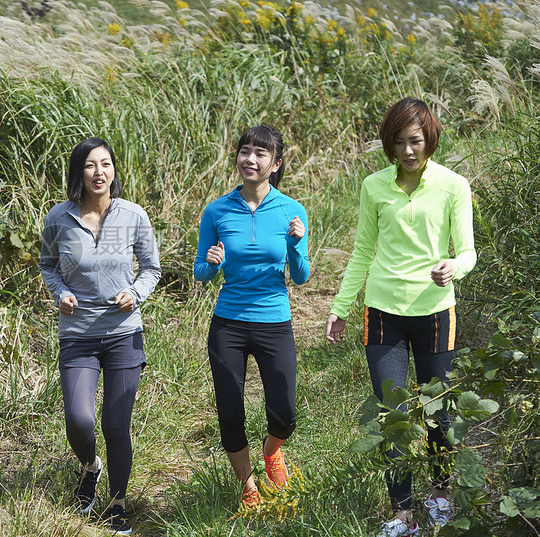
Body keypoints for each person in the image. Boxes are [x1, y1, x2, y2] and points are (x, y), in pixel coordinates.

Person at [324, 98, 476, 537]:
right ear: (389, 145)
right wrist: (339, 307)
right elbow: (362, 251)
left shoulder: (453, 185)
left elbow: (466, 250)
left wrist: (454, 266)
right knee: (393, 413)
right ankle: (402, 513)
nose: (408, 150)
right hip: (383, 313)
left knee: (437, 411)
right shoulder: (373, 186)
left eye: (416, 140)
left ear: (430, 138)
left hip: (434, 312)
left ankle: (442, 496)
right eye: (399, 142)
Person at [38, 137, 161, 535]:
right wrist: (61, 294)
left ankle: (116, 503)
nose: (99, 172)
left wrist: (136, 293)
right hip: (77, 335)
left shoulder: (133, 215)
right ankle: (91, 466)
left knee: (115, 425)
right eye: (90, 165)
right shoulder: (59, 217)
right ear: (79, 172)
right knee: (78, 419)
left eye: (105, 164)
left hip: (125, 333)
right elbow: (48, 266)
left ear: (114, 170)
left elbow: (151, 269)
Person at [194, 124, 309, 510]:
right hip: (228, 323)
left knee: (286, 414)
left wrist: (295, 246)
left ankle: (271, 452)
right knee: (230, 413)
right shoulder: (217, 210)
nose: (251, 159)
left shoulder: (292, 210)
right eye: (245, 151)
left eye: (261, 154)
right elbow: (200, 271)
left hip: (274, 321)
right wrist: (211, 264)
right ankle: (247, 485)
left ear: (275, 164)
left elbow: (302, 276)